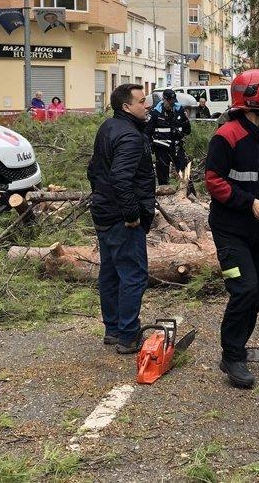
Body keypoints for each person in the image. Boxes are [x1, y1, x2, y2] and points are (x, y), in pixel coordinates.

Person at [204, 70, 259, 389]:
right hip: (230, 229)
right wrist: (248, 202)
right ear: (254, 97)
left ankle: (238, 347)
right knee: (244, 288)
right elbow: (214, 181)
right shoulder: (226, 136)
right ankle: (232, 355)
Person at [86, 84, 156, 354]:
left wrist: (100, 198)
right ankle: (127, 335)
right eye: (141, 101)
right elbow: (120, 178)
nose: (147, 105)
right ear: (126, 107)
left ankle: (113, 329)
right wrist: (131, 215)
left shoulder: (109, 126)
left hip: (104, 211)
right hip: (120, 217)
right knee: (133, 274)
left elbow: (93, 170)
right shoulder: (130, 137)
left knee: (111, 272)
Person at [148, 89, 192, 185]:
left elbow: (187, 131)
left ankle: (189, 192)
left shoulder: (179, 110)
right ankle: (164, 193)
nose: (170, 104)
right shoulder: (155, 113)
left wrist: (186, 121)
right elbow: (148, 132)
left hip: (176, 146)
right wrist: (151, 146)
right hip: (161, 148)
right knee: (162, 173)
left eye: (172, 101)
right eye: (168, 101)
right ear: (163, 99)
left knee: (184, 171)